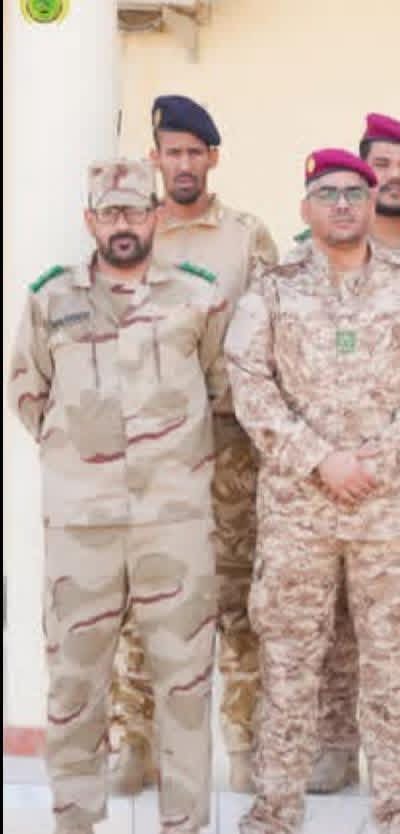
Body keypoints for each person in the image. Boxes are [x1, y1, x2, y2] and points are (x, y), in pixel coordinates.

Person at [226, 149, 400, 834]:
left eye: (354, 193)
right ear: (306, 208)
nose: (342, 205)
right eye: (327, 194)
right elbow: (249, 384)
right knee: (289, 662)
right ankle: (276, 806)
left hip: (390, 513)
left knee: (396, 665)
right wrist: (319, 460)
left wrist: (377, 458)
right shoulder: (272, 291)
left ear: (372, 203)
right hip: (299, 513)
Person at [8, 158, 231, 834]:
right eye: (110, 213)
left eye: (135, 210)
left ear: (156, 216)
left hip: (174, 520)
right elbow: (28, 392)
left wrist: (176, 459)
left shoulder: (197, 297)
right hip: (83, 525)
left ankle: (184, 824)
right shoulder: (52, 300)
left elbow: (221, 392)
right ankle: (75, 821)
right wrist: (81, 457)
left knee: (185, 684)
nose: (123, 225)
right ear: (90, 221)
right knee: (75, 683)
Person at [106, 94, 278, 796]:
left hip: (229, 440)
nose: (182, 164)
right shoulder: (131, 231)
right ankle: (135, 743)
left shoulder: (246, 237)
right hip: (148, 447)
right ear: (155, 158)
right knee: (142, 599)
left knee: (237, 600)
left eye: (194, 153)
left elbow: (269, 333)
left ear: (213, 158)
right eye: (171, 152)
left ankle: (243, 744)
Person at [308, 111, 400, 795]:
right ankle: (335, 744)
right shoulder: (310, 251)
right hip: (321, 472)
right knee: (333, 613)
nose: (395, 177)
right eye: (382, 165)